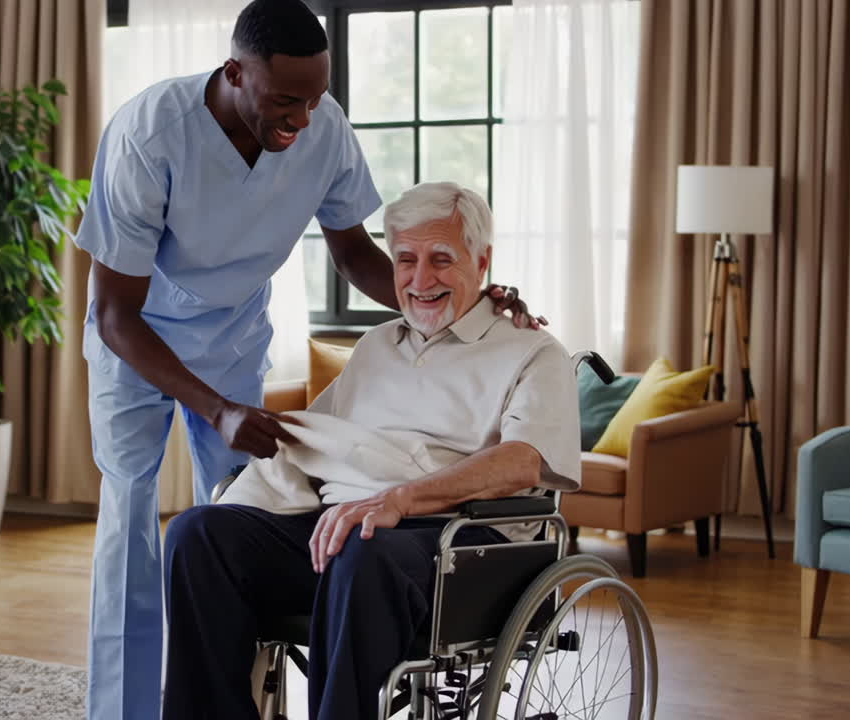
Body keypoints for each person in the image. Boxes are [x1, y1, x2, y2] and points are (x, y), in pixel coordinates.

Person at [74, 2, 540, 718]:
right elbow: (113, 312)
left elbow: (355, 253)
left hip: (229, 335)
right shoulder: (151, 134)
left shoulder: (323, 128)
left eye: (315, 98)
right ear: (235, 73)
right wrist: (217, 409)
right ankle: (125, 711)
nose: (302, 117)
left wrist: (454, 299)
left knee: (230, 520)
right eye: (284, 99)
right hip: (139, 337)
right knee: (132, 518)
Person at [161, 182, 581, 720]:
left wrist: (401, 499)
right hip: (347, 530)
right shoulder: (376, 346)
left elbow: (524, 459)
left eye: (442, 259)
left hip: (459, 543)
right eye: (406, 259)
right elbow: (320, 442)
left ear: (483, 262)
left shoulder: (532, 352)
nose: (421, 279)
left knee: (363, 548)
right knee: (199, 535)